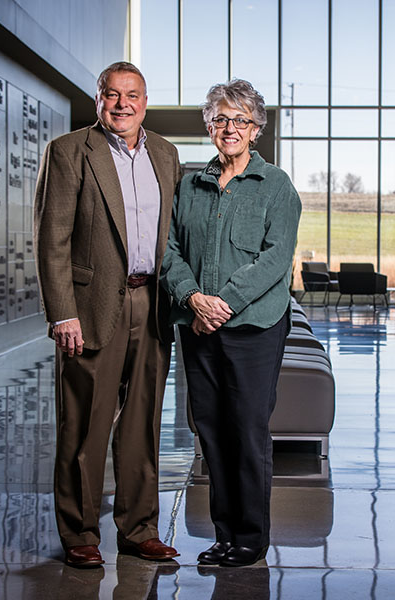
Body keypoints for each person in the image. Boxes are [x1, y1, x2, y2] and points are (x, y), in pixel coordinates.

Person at [34, 61, 181, 568]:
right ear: (99, 100)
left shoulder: (166, 153)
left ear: (146, 100)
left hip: (153, 302)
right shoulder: (70, 151)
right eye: (112, 95)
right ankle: (80, 533)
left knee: (143, 424)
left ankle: (139, 529)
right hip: (92, 308)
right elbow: (51, 240)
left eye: (132, 95)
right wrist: (62, 313)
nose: (123, 104)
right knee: (84, 425)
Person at [161, 79, 301, 567]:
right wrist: (193, 298)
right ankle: (223, 532)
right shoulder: (190, 186)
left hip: (254, 328)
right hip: (198, 326)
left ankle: (249, 537)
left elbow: (275, 258)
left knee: (245, 429)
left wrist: (221, 303)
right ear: (209, 125)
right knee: (211, 430)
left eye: (240, 120)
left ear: (257, 129)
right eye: (221, 119)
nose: (230, 128)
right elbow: (170, 250)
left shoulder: (276, 186)